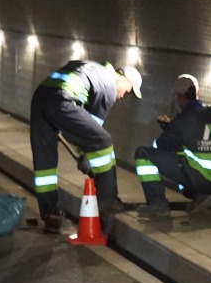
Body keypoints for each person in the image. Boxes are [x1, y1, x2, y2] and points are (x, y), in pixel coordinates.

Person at [28, 59, 142, 233]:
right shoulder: (109, 85)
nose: (122, 97)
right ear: (122, 78)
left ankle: (50, 214)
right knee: (104, 141)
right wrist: (86, 159)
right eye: (128, 91)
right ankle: (108, 199)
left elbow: (83, 131)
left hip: (41, 97)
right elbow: (92, 135)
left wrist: (85, 155)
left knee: (45, 163)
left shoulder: (94, 70)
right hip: (62, 99)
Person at [135, 74, 211, 219]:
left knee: (143, 154)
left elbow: (161, 146)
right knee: (189, 157)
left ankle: (157, 204)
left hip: (199, 179)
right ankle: (203, 197)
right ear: (197, 94)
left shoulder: (184, 119)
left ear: (180, 97)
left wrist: (169, 129)